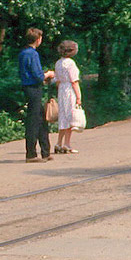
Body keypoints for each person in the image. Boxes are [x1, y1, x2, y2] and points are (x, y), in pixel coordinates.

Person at [18, 28, 55, 162]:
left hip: (28, 87)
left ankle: (45, 151)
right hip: (34, 87)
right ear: (38, 39)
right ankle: (31, 153)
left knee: (40, 118)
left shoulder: (23, 53)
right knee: (34, 120)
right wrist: (48, 74)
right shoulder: (32, 54)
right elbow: (37, 75)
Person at [53, 40, 82, 154]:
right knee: (70, 116)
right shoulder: (70, 63)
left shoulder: (58, 63)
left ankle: (58, 143)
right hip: (69, 89)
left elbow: (57, 80)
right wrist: (79, 97)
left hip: (61, 89)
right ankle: (67, 144)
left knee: (63, 116)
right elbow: (74, 81)